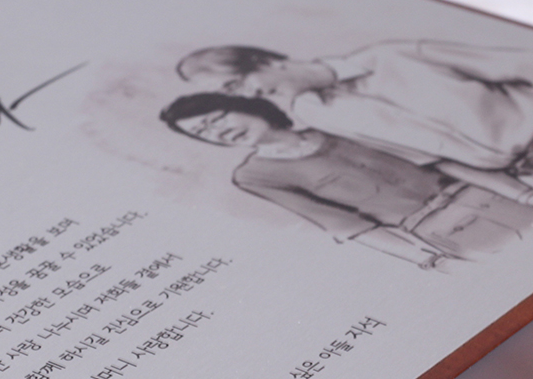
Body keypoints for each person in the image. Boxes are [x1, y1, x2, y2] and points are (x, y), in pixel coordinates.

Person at [159, 92, 533, 268]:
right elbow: (347, 226)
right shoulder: (255, 175)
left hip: (490, 194)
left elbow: (440, 159)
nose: (218, 131)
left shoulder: (327, 121)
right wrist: (428, 261)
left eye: (216, 118)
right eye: (203, 132)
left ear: (244, 107)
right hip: (448, 232)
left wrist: (523, 194)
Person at [175, 41, 533, 172]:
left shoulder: (391, 55)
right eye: (234, 95)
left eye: (236, 85)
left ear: (263, 61)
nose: (249, 97)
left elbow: (521, 64)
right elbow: (427, 159)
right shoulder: (314, 114)